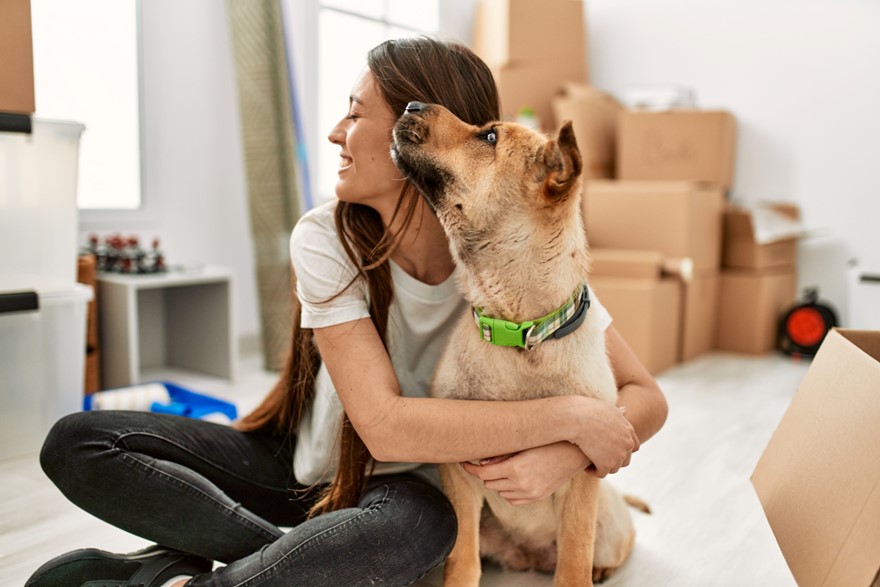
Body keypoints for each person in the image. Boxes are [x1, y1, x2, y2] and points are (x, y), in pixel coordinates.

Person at [27, 36, 667, 587]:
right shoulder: (325, 236)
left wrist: (568, 454)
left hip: (409, 491)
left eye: (356, 115)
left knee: (410, 534)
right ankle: (293, 563)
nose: (335, 133)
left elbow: (644, 398)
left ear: (418, 137)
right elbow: (383, 427)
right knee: (80, 441)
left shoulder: (510, 264)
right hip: (304, 467)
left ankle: (177, 576)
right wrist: (572, 419)